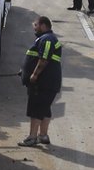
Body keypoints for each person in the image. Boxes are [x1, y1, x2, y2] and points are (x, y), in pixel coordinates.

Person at [20, 16, 62, 148]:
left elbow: (44, 59)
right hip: (48, 83)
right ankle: (43, 136)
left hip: (44, 83)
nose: (35, 29)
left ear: (43, 25)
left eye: (36, 26)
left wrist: (34, 74)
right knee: (44, 108)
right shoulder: (46, 39)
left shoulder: (47, 39)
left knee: (36, 109)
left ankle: (32, 137)